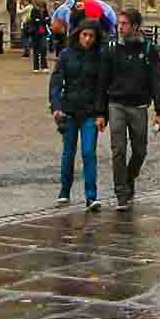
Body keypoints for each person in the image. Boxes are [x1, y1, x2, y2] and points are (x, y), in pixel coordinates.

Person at [101, 7, 160, 210]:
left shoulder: (148, 49)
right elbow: (103, 81)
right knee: (118, 150)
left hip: (139, 106)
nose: (120, 27)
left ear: (135, 26)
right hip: (116, 105)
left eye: (124, 24)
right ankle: (121, 193)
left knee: (140, 150)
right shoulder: (110, 48)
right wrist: (100, 113)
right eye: (119, 24)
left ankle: (129, 178)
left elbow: (156, 80)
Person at [49, 18, 107, 212]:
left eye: (91, 36)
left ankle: (91, 196)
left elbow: (102, 88)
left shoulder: (100, 57)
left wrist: (101, 113)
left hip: (90, 111)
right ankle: (64, 191)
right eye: (85, 35)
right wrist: (56, 106)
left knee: (89, 152)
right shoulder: (66, 55)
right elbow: (56, 82)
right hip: (69, 110)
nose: (88, 39)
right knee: (68, 153)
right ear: (78, 35)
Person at [28, 0, 51, 72]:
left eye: (43, 7)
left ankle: (44, 66)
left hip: (43, 32)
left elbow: (48, 20)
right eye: (41, 7)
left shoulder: (45, 12)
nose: (42, 9)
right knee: (36, 50)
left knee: (43, 48)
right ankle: (36, 67)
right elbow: (35, 20)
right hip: (35, 33)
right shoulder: (34, 11)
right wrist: (43, 20)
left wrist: (43, 20)